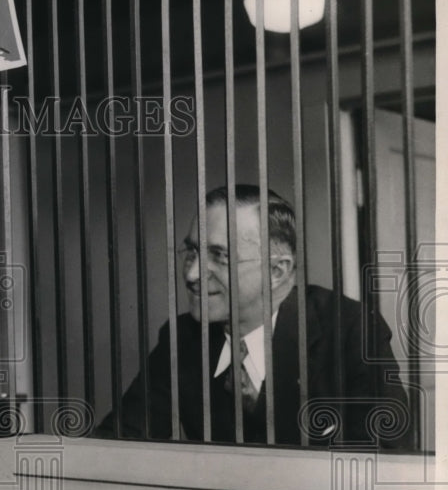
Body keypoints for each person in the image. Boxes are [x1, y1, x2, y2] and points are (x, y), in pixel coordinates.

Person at [96, 185, 410, 448]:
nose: (191, 274)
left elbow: (384, 462)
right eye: (191, 252)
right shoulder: (182, 338)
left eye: (219, 257)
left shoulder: (350, 330)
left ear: (277, 270)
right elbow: (119, 442)